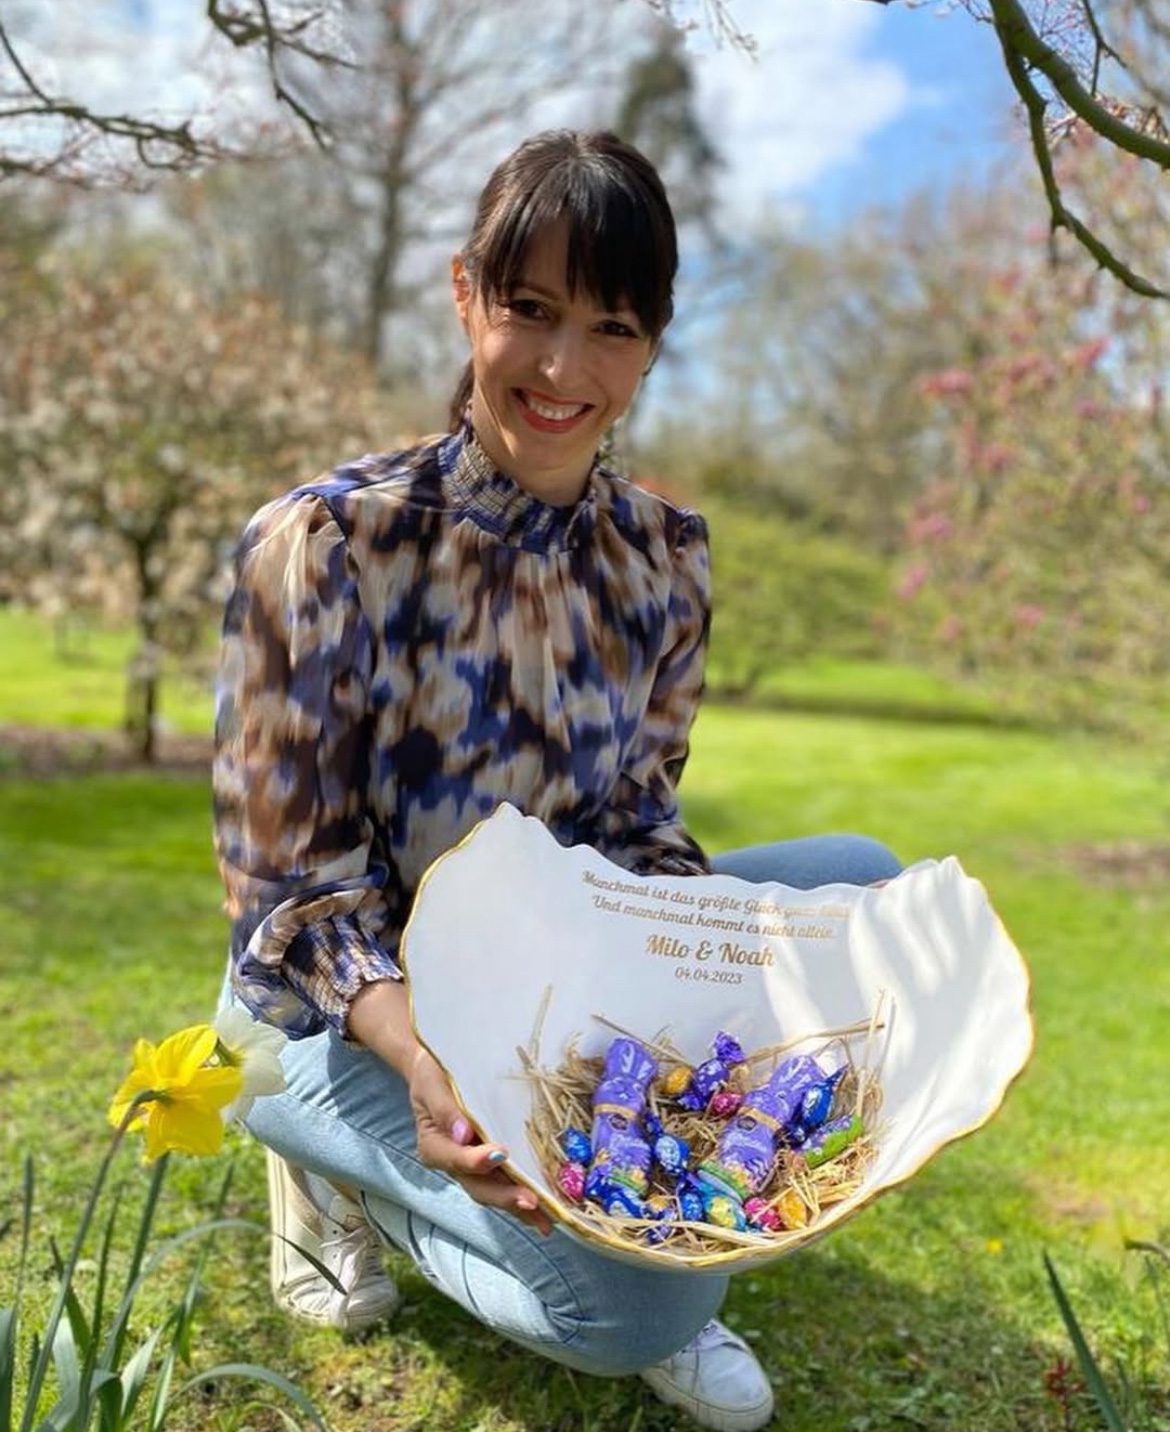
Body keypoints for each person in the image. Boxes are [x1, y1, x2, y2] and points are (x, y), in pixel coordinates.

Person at [212, 129, 901, 1432]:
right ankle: (336, 1167)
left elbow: (639, 817)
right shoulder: (325, 545)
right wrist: (424, 1053)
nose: (560, 369)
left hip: (548, 972)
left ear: (653, 341)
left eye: (611, 327)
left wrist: (693, 991)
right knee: (634, 1310)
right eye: (527, 310)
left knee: (863, 892)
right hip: (341, 1000)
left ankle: (609, 1210)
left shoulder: (662, 556)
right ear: (466, 292)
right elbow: (292, 888)